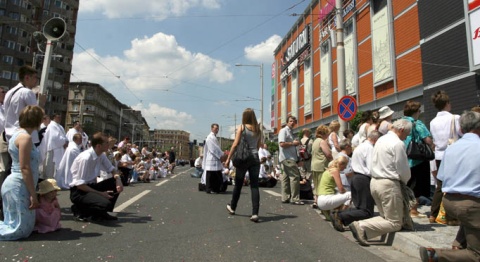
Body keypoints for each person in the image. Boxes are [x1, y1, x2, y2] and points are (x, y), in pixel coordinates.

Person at [419, 111, 480, 262]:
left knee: (469, 217)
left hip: (450, 202)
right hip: (471, 204)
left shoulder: (451, 148)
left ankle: (458, 245)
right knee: (476, 254)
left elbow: (441, 177)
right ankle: (437, 255)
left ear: (461, 129)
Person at [349, 119, 412, 247]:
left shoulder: (381, 140)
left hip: (375, 181)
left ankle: (363, 228)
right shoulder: (397, 144)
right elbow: (402, 168)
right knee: (394, 222)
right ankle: (362, 225)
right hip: (388, 183)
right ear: (401, 130)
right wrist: (405, 181)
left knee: (385, 216)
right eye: (407, 133)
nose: (407, 136)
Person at [1, 67, 45, 218]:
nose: (36, 81)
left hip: (10, 135)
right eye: (34, 78)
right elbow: (35, 114)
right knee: (27, 169)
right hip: (25, 134)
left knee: (11, 170)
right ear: (27, 78)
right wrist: (42, 103)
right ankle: (30, 199)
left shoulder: (9, 93)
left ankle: (7, 205)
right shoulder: (27, 92)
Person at [0, 105, 43, 240]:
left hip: (18, 183)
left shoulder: (17, 135)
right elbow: (25, 167)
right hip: (20, 185)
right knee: (20, 229)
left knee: (19, 225)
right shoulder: (25, 138)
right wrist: (33, 194)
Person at [331, 131, 380, 232]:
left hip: (356, 177)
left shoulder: (360, 147)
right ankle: (340, 216)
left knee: (359, 207)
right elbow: (371, 167)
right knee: (366, 211)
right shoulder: (369, 148)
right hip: (363, 179)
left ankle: (342, 217)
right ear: (375, 140)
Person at [69, 132, 124, 222]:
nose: (109, 144)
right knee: (104, 203)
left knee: (115, 182)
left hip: (91, 185)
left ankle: (102, 212)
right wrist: (101, 194)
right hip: (79, 191)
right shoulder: (86, 158)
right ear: (98, 146)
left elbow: (112, 169)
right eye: (106, 143)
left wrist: (118, 180)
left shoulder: (101, 155)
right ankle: (79, 209)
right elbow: (80, 185)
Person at [428, 91, 462, 224]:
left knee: (440, 185)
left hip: (439, 154)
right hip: (453, 152)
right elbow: (460, 133)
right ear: (447, 103)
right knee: (454, 184)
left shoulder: (433, 121)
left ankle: (433, 213)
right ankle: (452, 216)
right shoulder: (455, 118)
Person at [225, 108, 262, 222]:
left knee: (238, 184)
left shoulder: (242, 127)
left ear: (244, 116)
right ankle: (255, 213)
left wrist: (228, 159)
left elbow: (235, 144)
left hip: (243, 159)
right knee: (254, 186)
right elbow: (258, 146)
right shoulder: (258, 129)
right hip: (255, 158)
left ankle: (232, 207)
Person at [403, 101, 434, 218]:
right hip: (417, 159)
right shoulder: (417, 123)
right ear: (415, 112)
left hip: (404, 158)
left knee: (407, 184)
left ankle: (406, 209)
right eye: (419, 111)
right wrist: (431, 146)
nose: (420, 112)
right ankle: (414, 210)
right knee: (417, 186)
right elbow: (427, 140)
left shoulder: (400, 122)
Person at [278, 116, 304, 205]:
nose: (292, 123)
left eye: (294, 121)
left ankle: (285, 197)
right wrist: (293, 143)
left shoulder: (291, 132)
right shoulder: (284, 131)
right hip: (288, 158)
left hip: (287, 157)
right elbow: (282, 144)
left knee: (285, 177)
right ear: (287, 122)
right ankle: (295, 198)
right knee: (295, 177)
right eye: (290, 121)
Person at [316, 156, 351, 221]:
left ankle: (334, 212)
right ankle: (340, 217)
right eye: (345, 165)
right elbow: (341, 189)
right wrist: (345, 191)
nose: (345, 167)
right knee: (350, 194)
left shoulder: (328, 170)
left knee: (339, 194)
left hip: (321, 198)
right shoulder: (335, 171)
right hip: (326, 199)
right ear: (341, 164)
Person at [38, 113, 68, 180]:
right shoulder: (52, 125)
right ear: (54, 117)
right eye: (58, 117)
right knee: (51, 167)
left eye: (60, 117)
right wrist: (64, 141)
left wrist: (66, 141)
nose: (60, 118)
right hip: (53, 149)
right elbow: (54, 138)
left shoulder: (60, 126)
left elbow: (64, 136)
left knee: (57, 166)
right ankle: (48, 181)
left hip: (59, 148)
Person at [310, 125, 333, 209]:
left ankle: (315, 200)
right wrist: (333, 161)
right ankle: (320, 202)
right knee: (321, 184)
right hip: (321, 165)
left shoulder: (315, 141)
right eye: (327, 133)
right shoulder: (322, 141)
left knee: (316, 184)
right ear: (324, 133)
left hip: (314, 165)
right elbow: (328, 154)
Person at [203, 123, 226, 194]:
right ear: (212, 128)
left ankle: (216, 188)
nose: (217, 130)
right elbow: (213, 149)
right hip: (212, 158)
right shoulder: (210, 137)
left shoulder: (214, 137)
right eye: (216, 128)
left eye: (218, 129)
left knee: (216, 174)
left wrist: (222, 153)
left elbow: (217, 148)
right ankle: (209, 189)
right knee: (210, 175)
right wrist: (221, 155)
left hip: (215, 159)